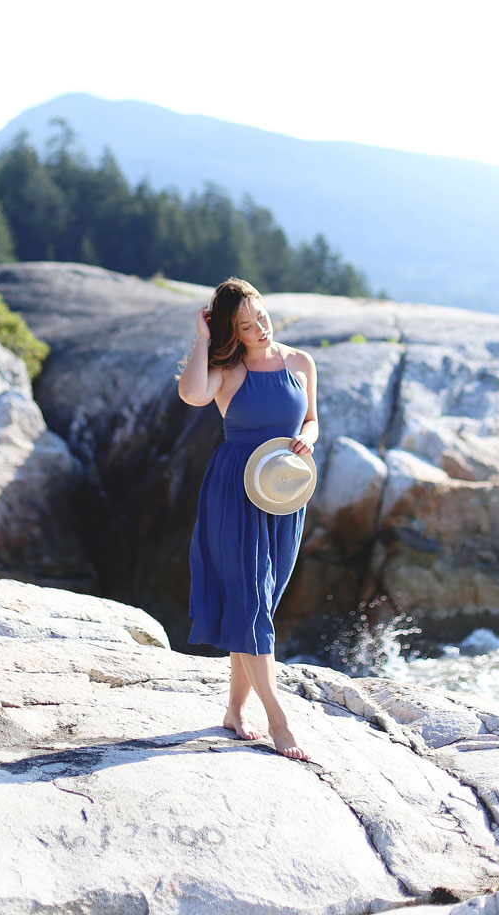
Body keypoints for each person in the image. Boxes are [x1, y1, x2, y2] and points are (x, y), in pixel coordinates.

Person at [178, 277, 318, 761]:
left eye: (261, 316)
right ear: (231, 332)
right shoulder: (228, 370)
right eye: (245, 324)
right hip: (233, 493)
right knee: (252, 605)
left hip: (283, 494)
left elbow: (311, 419)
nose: (259, 327)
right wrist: (202, 338)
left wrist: (310, 440)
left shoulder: (300, 362)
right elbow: (193, 395)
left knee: (258, 604)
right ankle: (278, 721)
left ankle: (234, 713)